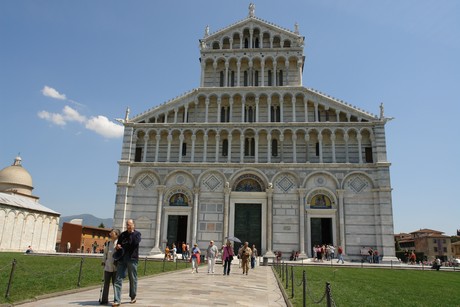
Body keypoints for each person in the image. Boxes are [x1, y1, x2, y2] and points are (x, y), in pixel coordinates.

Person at [112, 219, 141, 307]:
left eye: (129, 224)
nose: (128, 226)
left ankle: (133, 296)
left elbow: (134, 243)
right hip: (122, 258)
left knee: (132, 278)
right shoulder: (122, 235)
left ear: (133, 225)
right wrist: (118, 246)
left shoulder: (137, 234)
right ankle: (117, 300)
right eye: (127, 224)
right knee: (118, 279)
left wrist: (131, 233)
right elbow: (119, 244)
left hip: (132, 259)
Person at [100, 229, 120, 305]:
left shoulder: (119, 243)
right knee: (106, 284)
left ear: (116, 235)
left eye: (112, 233)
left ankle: (117, 300)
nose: (110, 234)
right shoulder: (108, 243)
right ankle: (104, 300)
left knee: (116, 284)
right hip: (108, 266)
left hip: (116, 267)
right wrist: (103, 261)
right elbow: (105, 253)